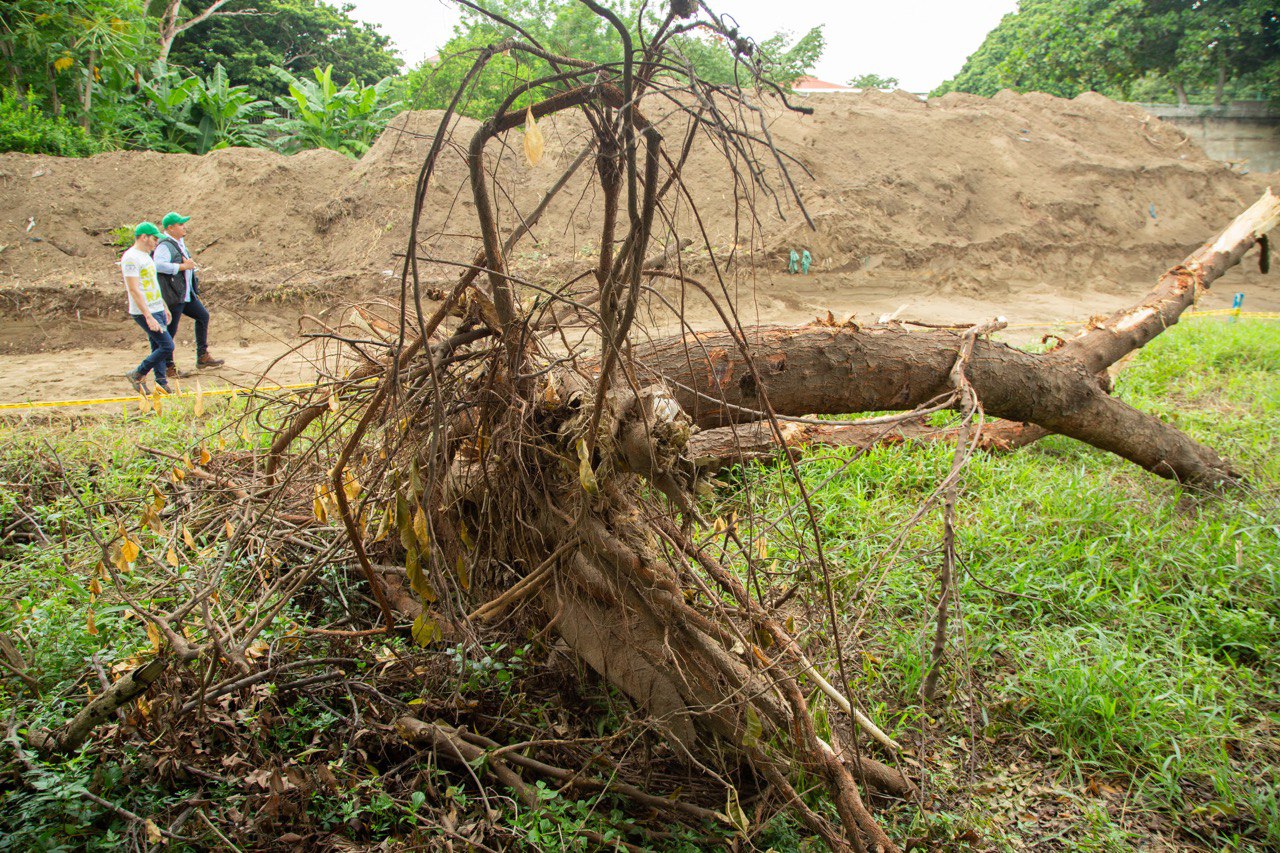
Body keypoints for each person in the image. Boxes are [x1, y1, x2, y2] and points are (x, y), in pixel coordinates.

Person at [153, 211, 224, 373]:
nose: (184, 227)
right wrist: (182, 267)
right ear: (170, 228)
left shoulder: (178, 243)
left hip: (185, 293)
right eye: (180, 224)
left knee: (203, 316)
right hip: (175, 294)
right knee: (171, 330)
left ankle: (202, 356)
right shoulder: (165, 245)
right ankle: (168, 366)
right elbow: (157, 265)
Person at [121, 222, 174, 394]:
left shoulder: (146, 256)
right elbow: (134, 289)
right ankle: (138, 373)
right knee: (167, 346)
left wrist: (163, 306)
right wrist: (148, 315)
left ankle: (161, 383)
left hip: (156, 307)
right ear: (144, 237)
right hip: (144, 310)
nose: (156, 242)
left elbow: (153, 285)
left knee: (158, 345)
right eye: (154, 239)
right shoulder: (131, 258)